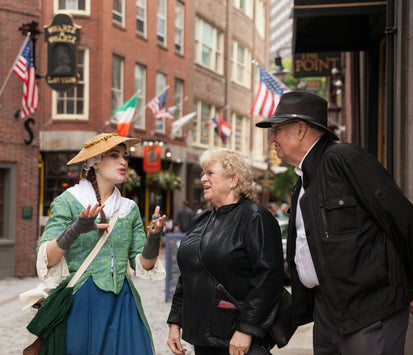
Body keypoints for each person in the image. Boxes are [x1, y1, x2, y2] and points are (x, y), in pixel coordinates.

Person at [255, 91, 413, 354]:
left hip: (371, 311)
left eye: (277, 129)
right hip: (328, 312)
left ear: (301, 129)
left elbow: (401, 218)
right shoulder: (303, 181)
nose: (272, 138)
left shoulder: (344, 159)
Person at [25, 132, 166, 355]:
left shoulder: (129, 208)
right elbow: (47, 257)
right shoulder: (68, 202)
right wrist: (76, 229)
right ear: (95, 162)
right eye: (115, 155)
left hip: (123, 303)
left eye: (125, 156)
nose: (123, 162)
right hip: (81, 302)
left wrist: (154, 238)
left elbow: (143, 265)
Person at [167, 148, 284, 355]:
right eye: (202, 173)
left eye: (210, 173)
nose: (203, 178)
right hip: (203, 337)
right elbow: (187, 275)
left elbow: (269, 278)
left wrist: (246, 329)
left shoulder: (255, 217)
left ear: (233, 180)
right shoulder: (202, 219)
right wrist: (175, 322)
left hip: (236, 338)